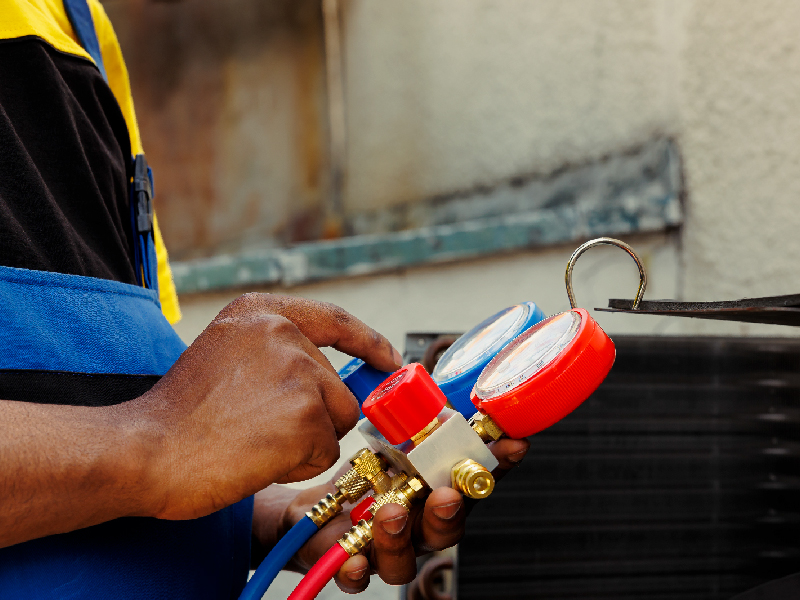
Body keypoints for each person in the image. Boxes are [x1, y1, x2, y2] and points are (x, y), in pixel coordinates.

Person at [0, 0, 530, 597]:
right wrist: (159, 439)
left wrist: (280, 519)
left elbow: (117, 411)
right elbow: (155, 440)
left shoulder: (79, 26)